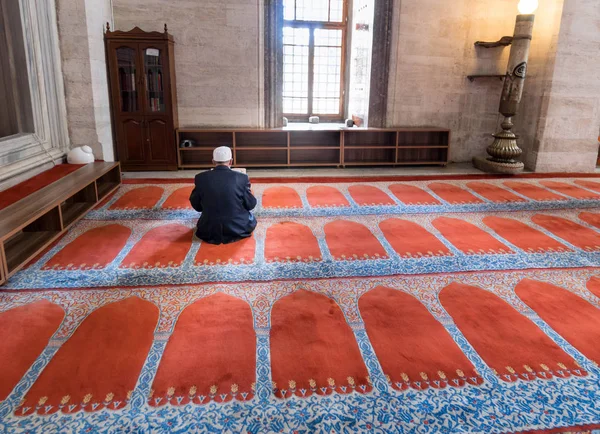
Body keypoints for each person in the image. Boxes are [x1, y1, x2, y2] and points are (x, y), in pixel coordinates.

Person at [189, 146, 257, 244]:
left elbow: (197, 206)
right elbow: (251, 205)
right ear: (231, 161)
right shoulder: (242, 178)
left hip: (208, 229)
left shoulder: (201, 178)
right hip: (238, 228)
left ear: (213, 161)